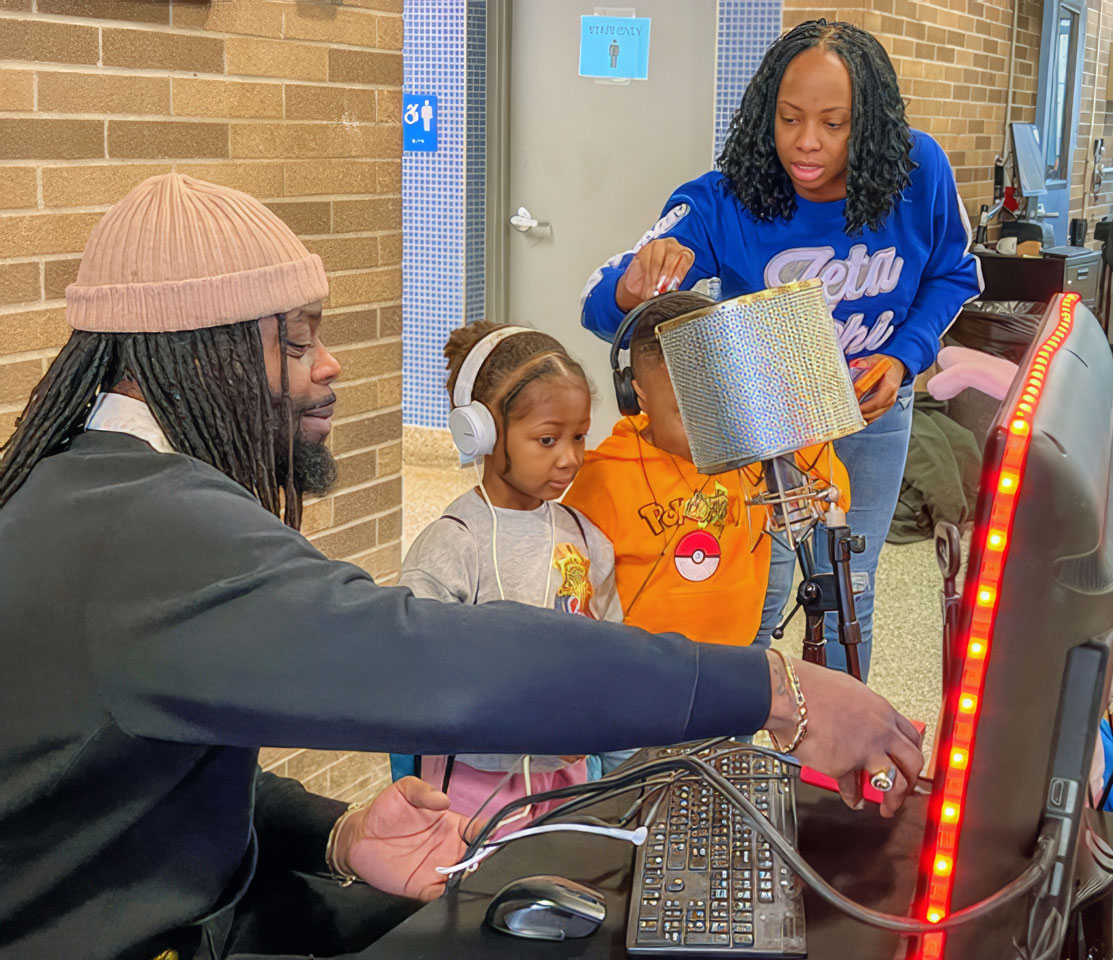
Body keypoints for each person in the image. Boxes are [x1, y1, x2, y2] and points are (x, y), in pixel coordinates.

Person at [0, 173, 924, 959]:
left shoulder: (103, 492)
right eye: (293, 339)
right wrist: (771, 689)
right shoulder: (147, 530)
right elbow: (437, 662)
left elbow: (161, 774)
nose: (329, 367)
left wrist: (337, 832)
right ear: (193, 355)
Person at [580, 19, 982, 676]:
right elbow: (600, 306)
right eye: (789, 119)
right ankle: (740, 755)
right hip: (757, 423)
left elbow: (953, 271)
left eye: (833, 123)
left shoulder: (918, 171)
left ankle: (835, 761)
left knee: (850, 591)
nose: (806, 143)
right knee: (755, 600)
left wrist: (905, 354)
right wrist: (633, 282)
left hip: (871, 412)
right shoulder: (723, 200)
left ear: (870, 124)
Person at [396, 321, 620, 818]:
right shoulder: (454, 544)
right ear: (484, 434)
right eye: (547, 440)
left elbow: (610, 652)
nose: (570, 459)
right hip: (475, 793)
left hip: (568, 782)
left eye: (579, 437)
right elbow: (422, 686)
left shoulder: (587, 541)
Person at [564, 291, 848, 647]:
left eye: (722, 398)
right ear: (637, 394)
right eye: (687, 410)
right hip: (642, 668)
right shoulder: (605, 476)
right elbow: (571, 581)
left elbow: (830, 493)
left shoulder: (754, 451)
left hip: (733, 656)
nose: (711, 420)